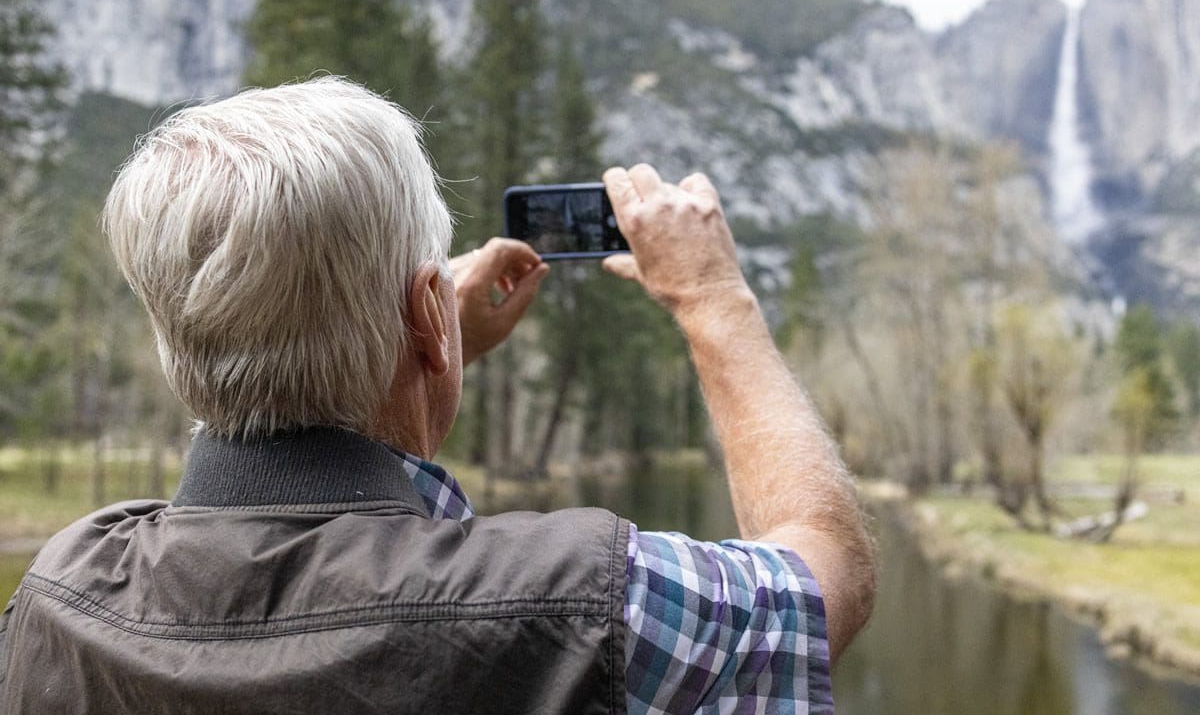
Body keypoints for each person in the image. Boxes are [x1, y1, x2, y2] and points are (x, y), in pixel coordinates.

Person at [0, 78, 875, 714]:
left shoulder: (61, 594)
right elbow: (826, 572)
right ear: (428, 311)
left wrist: (423, 349)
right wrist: (713, 299)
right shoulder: (584, 603)